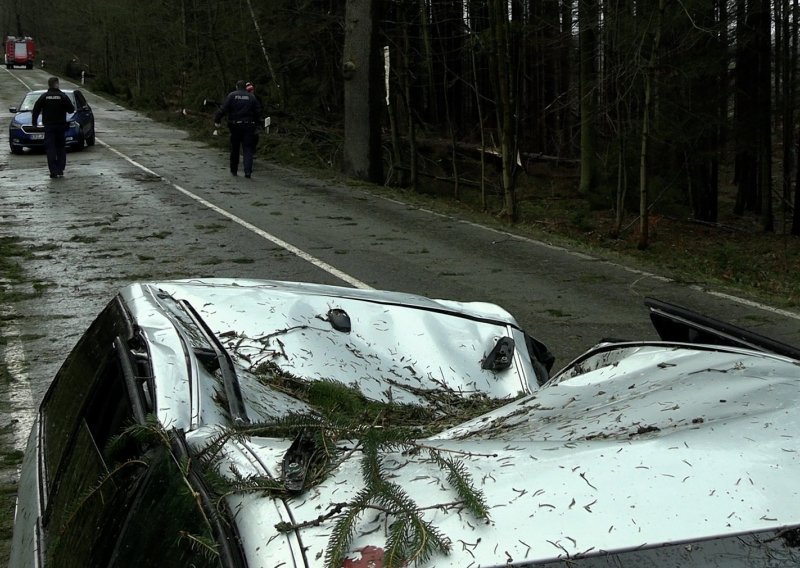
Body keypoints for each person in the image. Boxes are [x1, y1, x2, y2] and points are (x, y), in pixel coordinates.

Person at [214, 79, 262, 178]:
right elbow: (258, 112)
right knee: (248, 148)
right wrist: (257, 124)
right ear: (245, 87)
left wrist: (217, 120)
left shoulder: (232, 96)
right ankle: (248, 171)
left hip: (235, 125)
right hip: (249, 126)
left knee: (235, 148)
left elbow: (223, 109)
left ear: (236, 86)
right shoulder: (252, 97)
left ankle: (234, 170)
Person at [32, 76, 75, 179]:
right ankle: (60, 169)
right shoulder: (63, 96)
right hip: (60, 126)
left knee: (50, 148)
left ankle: (53, 171)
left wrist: (34, 122)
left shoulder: (44, 96)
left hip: (49, 127)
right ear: (57, 84)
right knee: (60, 148)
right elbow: (71, 110)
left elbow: (36, 109)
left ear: (49, 85)